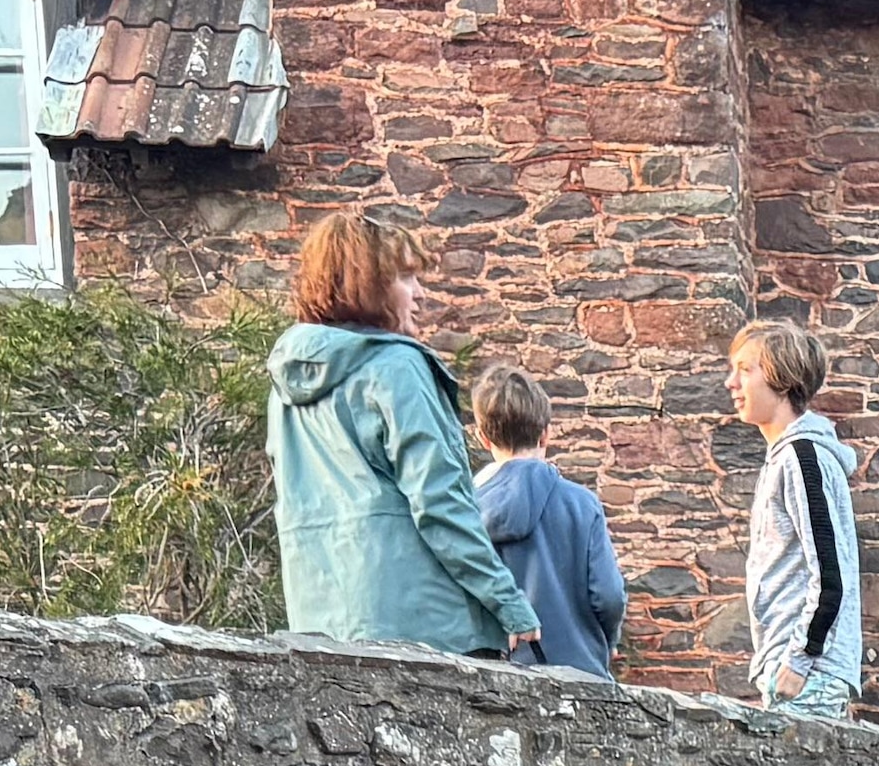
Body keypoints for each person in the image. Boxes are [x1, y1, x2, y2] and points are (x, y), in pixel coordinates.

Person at [267, 213, 534, 662]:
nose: (420, 293)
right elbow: (440, 501)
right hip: (427, 625)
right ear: (367, 284)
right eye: (406, 277)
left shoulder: (284, 386)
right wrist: (509, 603)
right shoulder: (398, 368)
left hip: (322, 625)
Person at [726, 319, 862, 717]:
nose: (731, 383)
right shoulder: (786, 458)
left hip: (809, 675)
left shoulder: (803, 457)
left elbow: (831, 573)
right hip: (793, 669)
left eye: (745, 369)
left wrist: (798, 663)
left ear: (781, 379)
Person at [469, 367, 627, 678]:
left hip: (497, 677)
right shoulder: (581, 504)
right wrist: (609, 640)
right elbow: (608, 594)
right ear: (546, 433)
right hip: (580, 673)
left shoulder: (467, 511)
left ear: (483, 438)